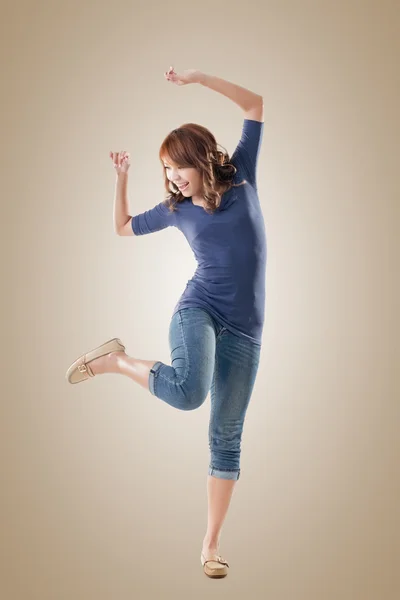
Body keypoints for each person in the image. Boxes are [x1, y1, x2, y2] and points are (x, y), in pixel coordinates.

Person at [66, 67, 266, 579]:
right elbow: (122, 227)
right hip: (197, 309)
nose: (172, 177)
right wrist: (122, 180)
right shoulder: (176, 209)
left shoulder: (242, 172)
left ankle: (211, 545)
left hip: (247, 328)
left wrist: (200, 79)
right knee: (188, 394)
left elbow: (255, 103)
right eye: (165, 170)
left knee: (227, 435)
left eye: (177, 167)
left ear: (199, 159)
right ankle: (116, 360)